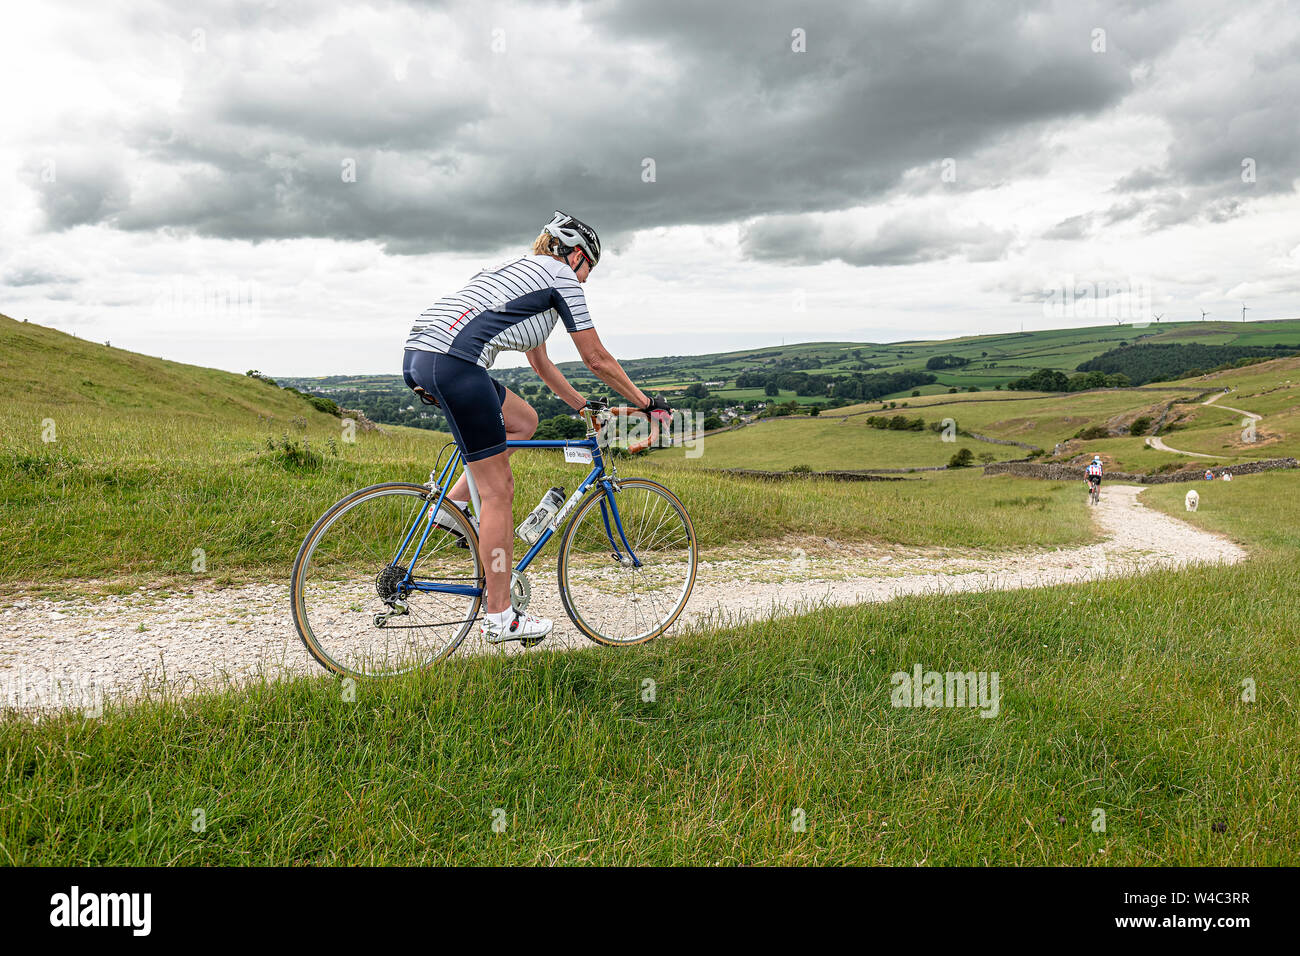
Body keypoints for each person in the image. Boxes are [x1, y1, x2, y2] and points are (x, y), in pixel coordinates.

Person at [402, 211, 671, 644]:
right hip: (453, 364)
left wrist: (584, 406)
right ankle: (500, 616)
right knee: (498, 492)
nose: (585, 281)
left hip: (421, 356)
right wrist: (646, 404)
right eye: (589, 270)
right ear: (577, 255)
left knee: (524, 421)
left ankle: (450, 510)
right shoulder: (561, 277)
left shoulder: (518, 273)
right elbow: (596, 357)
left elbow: (541, 364)